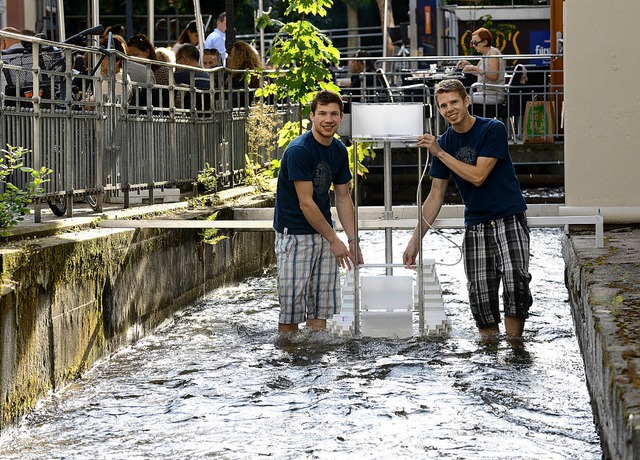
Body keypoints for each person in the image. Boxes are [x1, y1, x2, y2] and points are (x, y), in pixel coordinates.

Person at [402, 79, 532, 342]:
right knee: (480, 296)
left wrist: (439, 153)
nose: (449, 109)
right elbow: (435, 195)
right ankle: (489, 356)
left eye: (453, 102)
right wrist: (415, 241)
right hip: (476, 225)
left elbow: (478, 176)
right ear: (438, 110)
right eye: (443, 105)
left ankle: (516, 348)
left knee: (516, 282)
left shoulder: (492, 128)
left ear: (466, 101)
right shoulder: (445, 142)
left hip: (509, 218)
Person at [273, 90, 364, 333]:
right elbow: (306, 203)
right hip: (294, 236)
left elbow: (343, 197)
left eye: (334, 113)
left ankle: (317, 361)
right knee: (291, 312)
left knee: (321, 311)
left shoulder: (339, 150)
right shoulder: (299, 150)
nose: (328, 119)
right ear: (311, 117)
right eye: (322, 113)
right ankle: (288, 360)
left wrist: (353, 239)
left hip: (324, 235)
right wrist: (335, 239)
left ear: (341, 117)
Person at [456, 27, 506, 107]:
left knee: (463, 100)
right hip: (484, 93)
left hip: (493, 94)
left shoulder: (493, 53)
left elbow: (494, 76)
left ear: (485, 42)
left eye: (475, 43)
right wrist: (469, 65)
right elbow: (479, 73)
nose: (473, 45)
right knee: (461, 98)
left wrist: (475, 68)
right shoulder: (485, 54)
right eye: (472, 42)